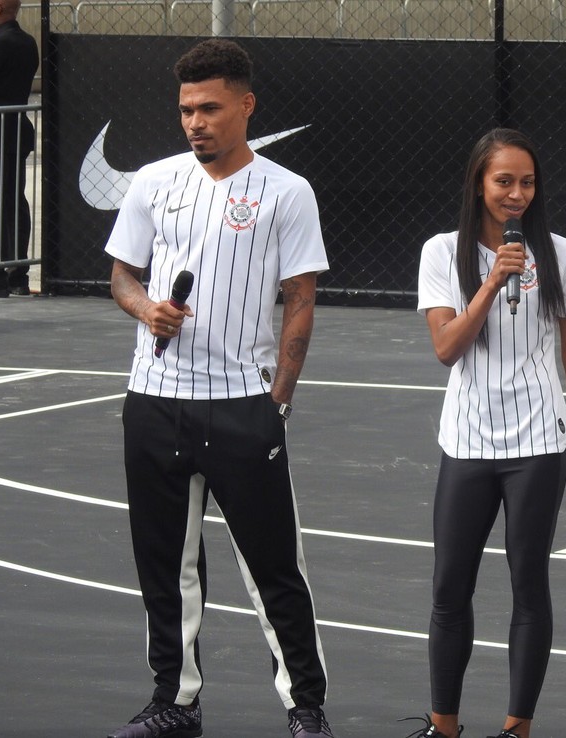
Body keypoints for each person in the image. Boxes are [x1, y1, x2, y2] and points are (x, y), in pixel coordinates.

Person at [104, 39, 336, 738]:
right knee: (165, 569)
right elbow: (121, 276)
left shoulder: (286, 192)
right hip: (154, 399)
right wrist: (149, 310)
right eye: (185, 110)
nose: (195, 121)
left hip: (243, 404)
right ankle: (176, 701)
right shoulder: (151, 181)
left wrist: (280, 399)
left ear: (245, 105)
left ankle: (305, 709)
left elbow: (300, 298)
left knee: (275, 571)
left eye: (208, 107)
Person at [407, 127, 566, 738]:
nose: (517, 194)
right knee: (449, 586)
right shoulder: (442, 252)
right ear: (478, 183)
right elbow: (446, 348)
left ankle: (517, 728)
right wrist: (492, 282)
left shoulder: (560, 253)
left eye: (527, 182)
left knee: (529, 583)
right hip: (466, 442)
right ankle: (444, 726)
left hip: (540, 443)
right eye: (503, 181)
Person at [0, 0, 38, 297]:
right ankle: (17, 272)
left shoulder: (0, 45)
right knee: (13, 199)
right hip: (15, 131)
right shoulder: (27, 42)